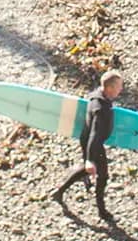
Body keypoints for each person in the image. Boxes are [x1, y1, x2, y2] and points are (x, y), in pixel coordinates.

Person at [50, 70, 123, 219]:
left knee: (87, 170)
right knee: (102, 175)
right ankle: (102, 211)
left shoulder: (96, 95)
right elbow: (95, 133)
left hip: (88, 140)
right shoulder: (101, 109)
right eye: (119, 87)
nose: (121, 89)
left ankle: (59, 191)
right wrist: (90, 158)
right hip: (93, 143)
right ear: (109, 88)